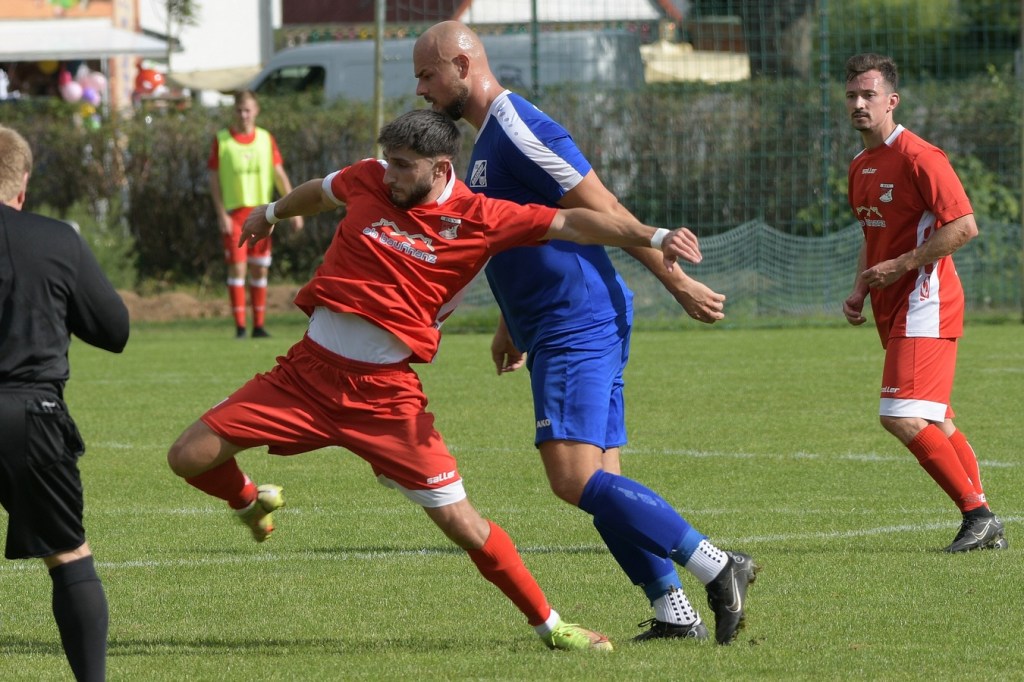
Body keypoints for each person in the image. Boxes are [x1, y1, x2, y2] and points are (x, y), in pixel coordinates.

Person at [167, 109, 705, 652]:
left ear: (440, 167)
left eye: (404, 166)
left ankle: (552, 626)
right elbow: (319, 192)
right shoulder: (369, 178)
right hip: (305, 374)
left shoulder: (481, 216)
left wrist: (655, 235)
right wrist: (270, 213)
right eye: (389, 161)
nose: (391, 174)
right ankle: (249, 501)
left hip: (384, 399)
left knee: (462, 525)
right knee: (187, 456)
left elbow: (576, 223)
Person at [413, 21, 756, 645]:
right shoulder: (487, 142)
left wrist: (675, 281)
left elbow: (605, 209)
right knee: (602, 481)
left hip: (577, 319)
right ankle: (673, 612)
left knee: (572, 477)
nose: (421, 89)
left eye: (427, 75)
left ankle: (717, 564)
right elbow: (516, 235)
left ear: (463, 66)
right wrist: (510, 324)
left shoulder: (519, 127)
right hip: (553, 321)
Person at [841, 53, 1006, 553]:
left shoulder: (920, 157)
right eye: (851, 95)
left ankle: (978, 516)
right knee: (936, 418)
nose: (859, 104)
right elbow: (872, 232)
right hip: (893, 304)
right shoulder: (859, 165)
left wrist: (902, 265)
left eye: (869, 95)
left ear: (891, 100)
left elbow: (965, 226)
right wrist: (861, 288)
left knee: (900, 415)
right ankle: (984, 519)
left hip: (925, 302)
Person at [0, 124, 130, 681]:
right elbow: (114, 330)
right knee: (69, 554)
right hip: (33, 416)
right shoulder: (56, 239)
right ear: (23, 183)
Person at [208, 89, 303, 339]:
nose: (244, 115)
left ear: (256, 111)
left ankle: (258, 326)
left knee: (260, 269)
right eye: (239, 110)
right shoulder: (222, 140)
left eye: (248, 110)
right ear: (234, 112)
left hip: (263, 214)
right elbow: (213, 179)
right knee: (237, 269)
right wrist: (221, 214)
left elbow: (279, 175)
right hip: (235, 214)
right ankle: (240, 327)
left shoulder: (265, 139)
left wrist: (295, 209)